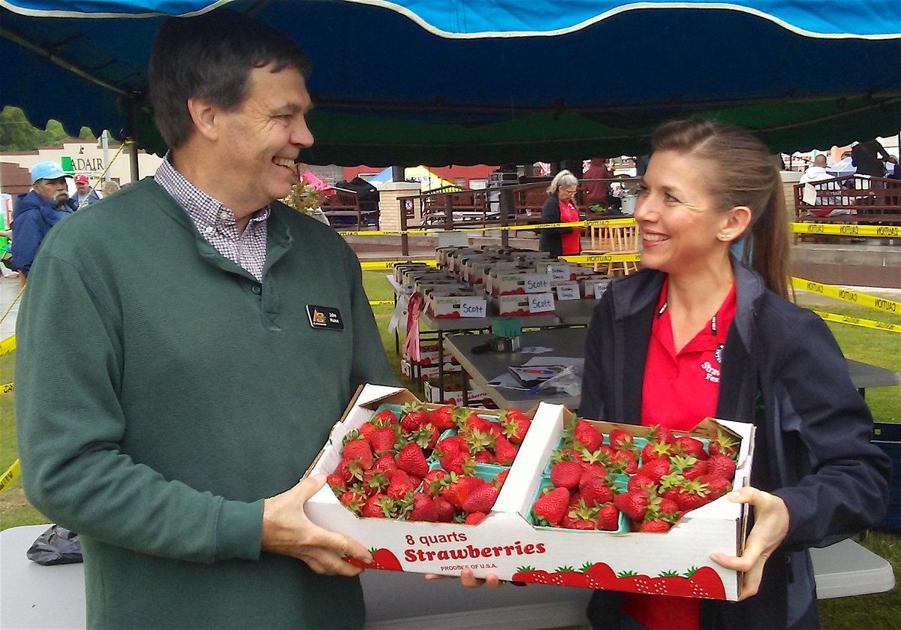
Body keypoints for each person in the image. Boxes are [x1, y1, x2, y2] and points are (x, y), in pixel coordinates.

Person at [17, 11, 397, 629]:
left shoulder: (326, 254)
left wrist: (452, 524)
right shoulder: (87, 255)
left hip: (325, 612)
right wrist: (249, 528)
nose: (306, 137)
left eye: (304, 115)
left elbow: (381, 417)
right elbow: (67, 471)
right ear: (207, 115)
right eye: (283, 116)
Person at [580, 119, 890, 630]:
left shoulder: (784, 336)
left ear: (732, 222)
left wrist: (788, 512)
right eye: (644, 190)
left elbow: (862, 477)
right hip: (626, 610)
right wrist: (502, 548)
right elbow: (593, 447)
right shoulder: (618, 313)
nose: (643, 212)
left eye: (670, 197)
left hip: (748, 613)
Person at [10, 161, 74, 284]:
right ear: (36, 187)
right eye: (52, 183)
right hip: (55, 286)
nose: (60, 186)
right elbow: (26, 261)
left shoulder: (68, 208)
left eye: (62, 181)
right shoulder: (30, 216)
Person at [539, 169, 582, 257]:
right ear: (560, 189)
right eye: (569, 192)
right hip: (557, 250)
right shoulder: (551, 204)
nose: (572, 195)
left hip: (573, 248)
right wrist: (571, 228)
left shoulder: (571, 203)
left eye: (574, 192)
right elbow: (548, 229)